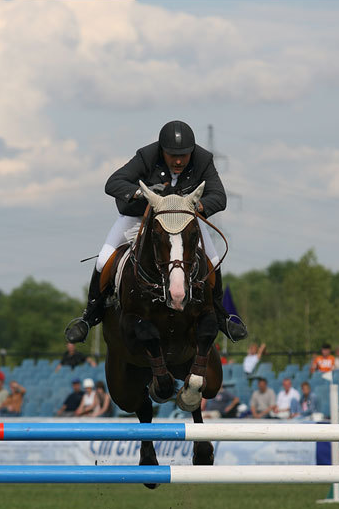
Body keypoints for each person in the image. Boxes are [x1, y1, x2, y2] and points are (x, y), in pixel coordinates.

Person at [64, 120, 247, 345]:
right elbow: (113, 183)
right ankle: (89, 316)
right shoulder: (147, 156)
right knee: (104, 259)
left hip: (183, 220)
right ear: (162, 150)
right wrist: (142, 194)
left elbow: (219, 196)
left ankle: (222, 317)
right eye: (172, 155)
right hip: (140, 216)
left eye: (184, 155)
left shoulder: (203, 159)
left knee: (213, 259)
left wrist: (194, 207)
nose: (179, 160)